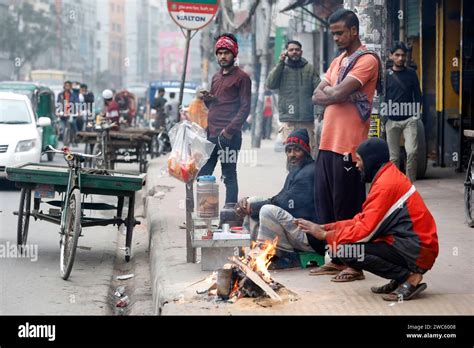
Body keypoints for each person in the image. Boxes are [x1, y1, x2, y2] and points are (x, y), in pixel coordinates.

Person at [295, 138, 438, 301]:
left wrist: (326, 236)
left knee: (345, 250)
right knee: (346, 244)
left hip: (418, 250)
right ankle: (400, 278)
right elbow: (362, 219)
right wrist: (326, 227)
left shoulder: (386, 185)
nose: (357, 165)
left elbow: (365, 232)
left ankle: (409, 278)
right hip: (412, 244)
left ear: (372, 161)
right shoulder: (386, 177)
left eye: (360, 160)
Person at [310, 8, 381, 280]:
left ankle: (355, 265)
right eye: (333, 34)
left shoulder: (367, 60)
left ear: (354, 31)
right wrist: (335, 94)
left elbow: (334, 91)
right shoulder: (338, 60)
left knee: (348, 207)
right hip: (327, 143)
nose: (336, 38)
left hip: (349, 148)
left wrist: (334, 93)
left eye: (340, 33)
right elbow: (316, 96)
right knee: (327, 206)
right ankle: (338, 259)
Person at [236, 129, 323, 269]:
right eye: (289, 151)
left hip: (310, 239)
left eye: (297, 150)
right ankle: (249, 249)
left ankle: (281, 256)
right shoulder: (296, 171)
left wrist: (253, 208)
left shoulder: (309, 172)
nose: (292, 155)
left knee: (266, 210)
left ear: (306, 152)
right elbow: (280, 198)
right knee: (253, 201)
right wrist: (249, 203)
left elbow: (283, 203)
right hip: (297, 231)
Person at [198, 33, 251, 204]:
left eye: (226, 52)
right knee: (203, 174)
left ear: (234, 54)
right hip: (212, 135)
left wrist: (228, 131)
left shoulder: (242, 77)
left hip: (230, 137)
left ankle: (229, 217)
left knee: (229, 176)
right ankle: (206, 215)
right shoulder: (216, 76)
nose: (222, 56)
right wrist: (208, 99)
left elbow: (245, 108)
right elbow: (214, 106)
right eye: (219, 53)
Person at [266, 40, 320, 154]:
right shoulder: (281, 68)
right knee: (292, 154)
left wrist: (320, 111)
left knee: (309, 153)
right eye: (291, 50)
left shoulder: (309, 68)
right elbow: (270, 84)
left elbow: (319, 90)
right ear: (286, 52)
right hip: (288, 120)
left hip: (307, 120)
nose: (294, 52)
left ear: (301, 52)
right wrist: (280, 62)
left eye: (297, 49)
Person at [385, 41, 422, 183]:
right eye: (397, 55)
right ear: (391, 56)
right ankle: (395, 185)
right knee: (393, 157)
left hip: (409, 119)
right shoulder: (386, 75)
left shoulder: (412, 74)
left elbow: (418, 95)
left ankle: (409, 184)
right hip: (391, 120)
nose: (400, 58)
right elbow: (382, 96)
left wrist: (416, 114)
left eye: (403, 55)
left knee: (412, 152)